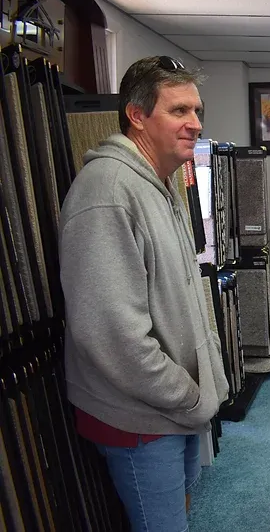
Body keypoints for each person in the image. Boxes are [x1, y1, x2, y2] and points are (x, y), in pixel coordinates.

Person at [59, 56, 230, 531]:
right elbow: (113, 335)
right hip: (141, 417)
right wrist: (190, 397)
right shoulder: (108, 192)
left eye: (197, 111)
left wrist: (198, 391)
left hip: (175, 408)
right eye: (179, 111)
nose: (195, 124)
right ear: (137, 115)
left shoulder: (159, 184)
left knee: (179, 514)